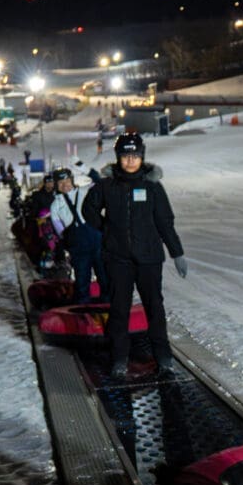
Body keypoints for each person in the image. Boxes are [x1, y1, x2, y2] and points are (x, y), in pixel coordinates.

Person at [82, 133, 187, 380]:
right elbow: (89, 209)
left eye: (135, 156)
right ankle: (119, 359)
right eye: (126, 156)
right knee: (120, 309)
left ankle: (164, 358)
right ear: (119, 158)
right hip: (118, 259)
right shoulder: (107, 186)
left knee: (155, 308)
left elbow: (165, 221)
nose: (130, 161)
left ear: (142, 157)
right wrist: (105, 230)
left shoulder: (152, 186)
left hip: (149, 258)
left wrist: (177, 252)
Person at [49, 167, 108, 304]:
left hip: (97, 242)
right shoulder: (55, 205)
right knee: (82, 280)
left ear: (72, 180)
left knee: (105, 276)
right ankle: (83, 310)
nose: (65, 185)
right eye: (61, 183)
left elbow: (99, 181)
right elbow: (60, 230)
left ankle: (109, 304)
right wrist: (70, 245)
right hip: (78, 247)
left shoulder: (84, 191)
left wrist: (84, 168)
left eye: (67, 181)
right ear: (56, 185)